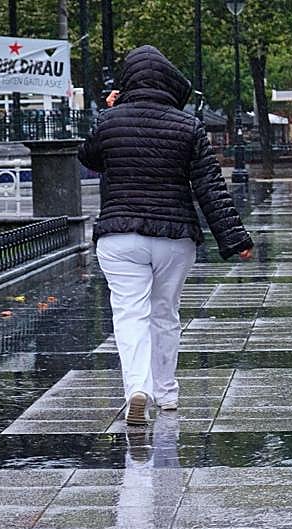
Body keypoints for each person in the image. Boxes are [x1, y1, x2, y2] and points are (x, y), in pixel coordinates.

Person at [79, 46, 253, 426]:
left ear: (127, 82)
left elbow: (89, 158)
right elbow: (209, 185)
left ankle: (137, 389)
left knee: (129, 314)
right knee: (164, 313)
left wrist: (108, 111)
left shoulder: (110, 121)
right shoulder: (188, 126)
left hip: (119, 235)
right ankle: (167, 392)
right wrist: (235, 237)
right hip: (175, 237)